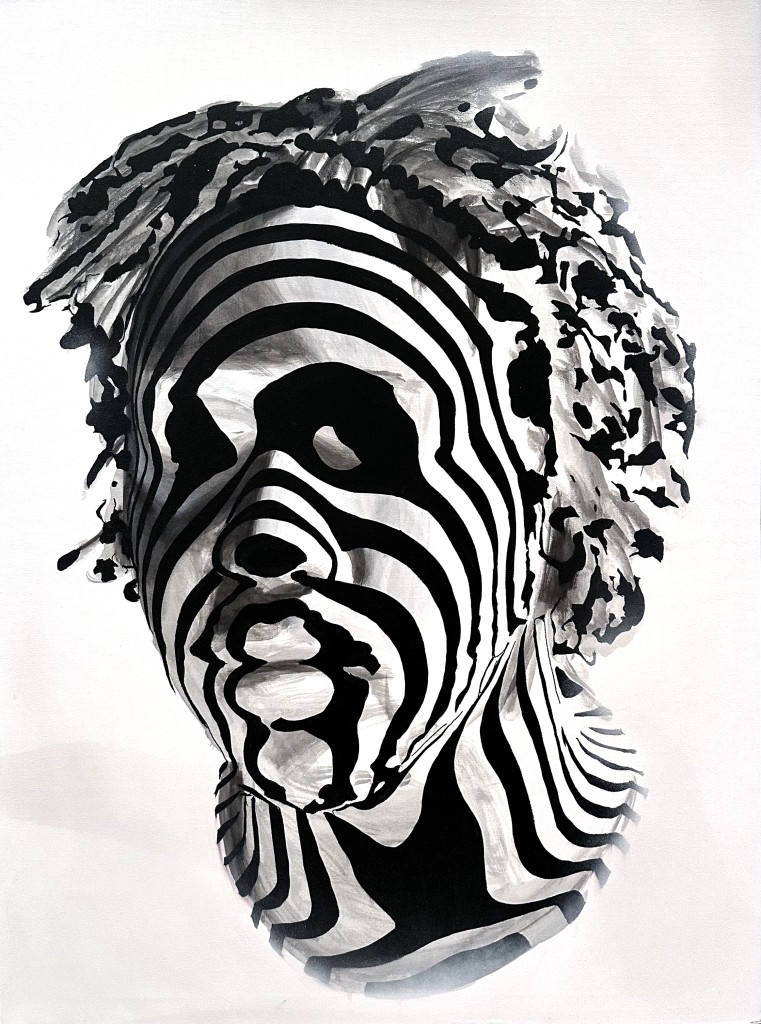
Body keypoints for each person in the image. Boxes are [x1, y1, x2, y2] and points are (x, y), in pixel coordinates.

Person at [25, 51, 694, 996]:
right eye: (192, 448)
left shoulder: (706, 899)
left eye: (357, 437)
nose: (263, 534)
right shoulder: (73, 924)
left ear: (559, 503)